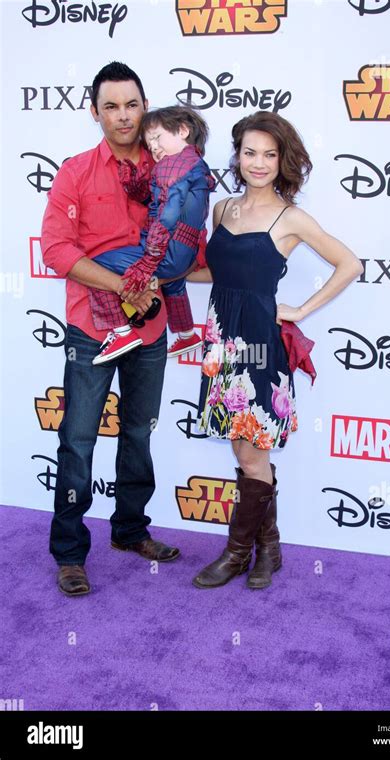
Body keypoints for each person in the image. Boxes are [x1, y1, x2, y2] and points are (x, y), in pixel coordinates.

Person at [188, 111, 364, 590]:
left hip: (262, 346)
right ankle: (269, 547)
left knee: (251, 452)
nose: (258, 162)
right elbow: (219, 272)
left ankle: (236, 552)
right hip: (222, 341)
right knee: (246, 449)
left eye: (269, 154)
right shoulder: (222, 209)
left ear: (282, 160)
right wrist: (168, 272)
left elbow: (350, 264)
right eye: (250, 152)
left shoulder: (291, 218)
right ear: (237, 155)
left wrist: (303, 310)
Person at [41, 61, 180, 597]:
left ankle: (129, 531)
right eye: (111, 106)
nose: (123, 116)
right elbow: (57, 250)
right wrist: (125, 284)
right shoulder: (75, 171)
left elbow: (186, 242)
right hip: (90, 328)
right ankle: (70, 554)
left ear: (145, 107)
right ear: (94, 111)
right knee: (77, 440)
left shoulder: (169, 170)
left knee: (139, 432)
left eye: (132, 105)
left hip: (150, 328)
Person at [90, 105, 216, 365]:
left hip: (169, 253)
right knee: (174, 283)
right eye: (149, 143)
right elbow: (164, 202)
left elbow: (167, 217)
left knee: (95, 265)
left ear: (183, 130)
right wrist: (137, 188)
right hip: (188, 254)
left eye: (158, 138)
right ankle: (186, 333)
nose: (154, 147)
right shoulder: (194, 164)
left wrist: (148, 261)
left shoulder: (174, 165)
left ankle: (120, 331)